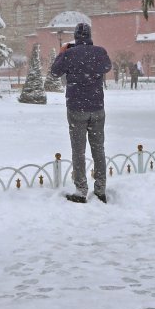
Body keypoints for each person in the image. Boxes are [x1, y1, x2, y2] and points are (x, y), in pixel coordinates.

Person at [50, 22, 112, 204]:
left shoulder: (69, 54)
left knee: (79, 150)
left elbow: (55, 72)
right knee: (98, 149)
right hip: (97, 108)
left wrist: (63, 52)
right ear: (90, 35)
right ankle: (100, 189)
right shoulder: (99, 52)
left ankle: (81, 189)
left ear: (76, 36)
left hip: (77, 108)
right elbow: (107, 67)